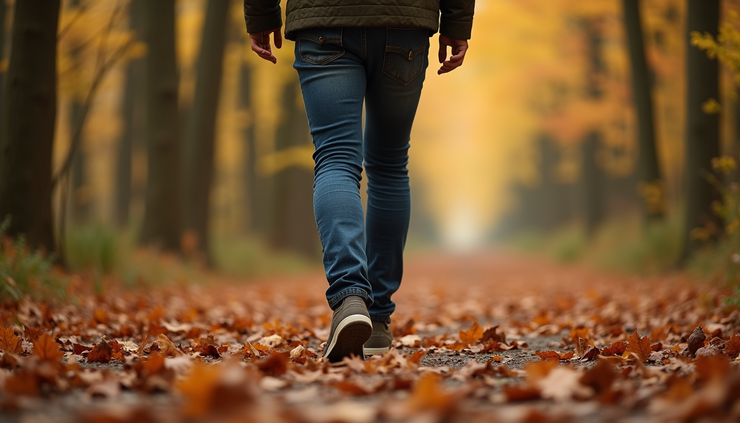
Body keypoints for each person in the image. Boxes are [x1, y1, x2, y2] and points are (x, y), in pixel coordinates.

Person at [243, 0, 474, 362]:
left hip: (323, 21)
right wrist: (457, 22)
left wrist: (261, 12)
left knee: (336, 158)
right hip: (404, 23)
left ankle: (350, 297)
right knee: (390, 164)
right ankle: (378, 319)